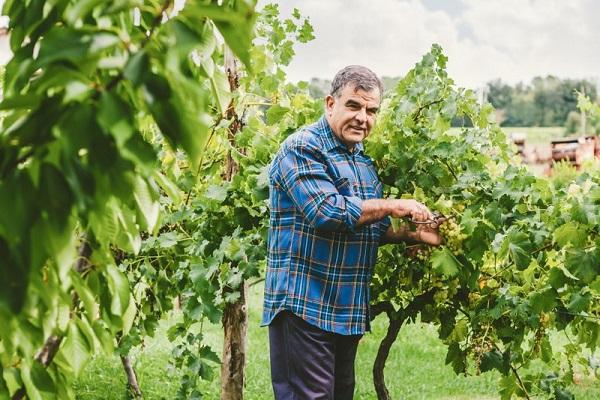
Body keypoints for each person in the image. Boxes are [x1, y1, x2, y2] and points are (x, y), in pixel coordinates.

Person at [262, 65, 444, 399]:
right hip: (305, 305)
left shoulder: (361, 161)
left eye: (371, 110)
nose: (363, 118)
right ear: (330, 103)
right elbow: (327, 212)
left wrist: (414, 234)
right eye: (354, 106)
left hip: (345, 309)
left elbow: (367, 226)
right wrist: (393, 203)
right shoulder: (302, 148)